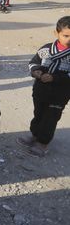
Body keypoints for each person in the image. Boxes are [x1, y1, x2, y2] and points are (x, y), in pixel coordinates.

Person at [17, 16, 70, 156]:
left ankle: (43, 142)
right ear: (56, 33)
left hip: (60, 95)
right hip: (40, 90)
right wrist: (36, 71)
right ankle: (35, 134)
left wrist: (55, 77)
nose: (69, 39)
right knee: (38, 113)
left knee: (51, 117)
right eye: (66, 36)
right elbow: (33, 62)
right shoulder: (46, 49)